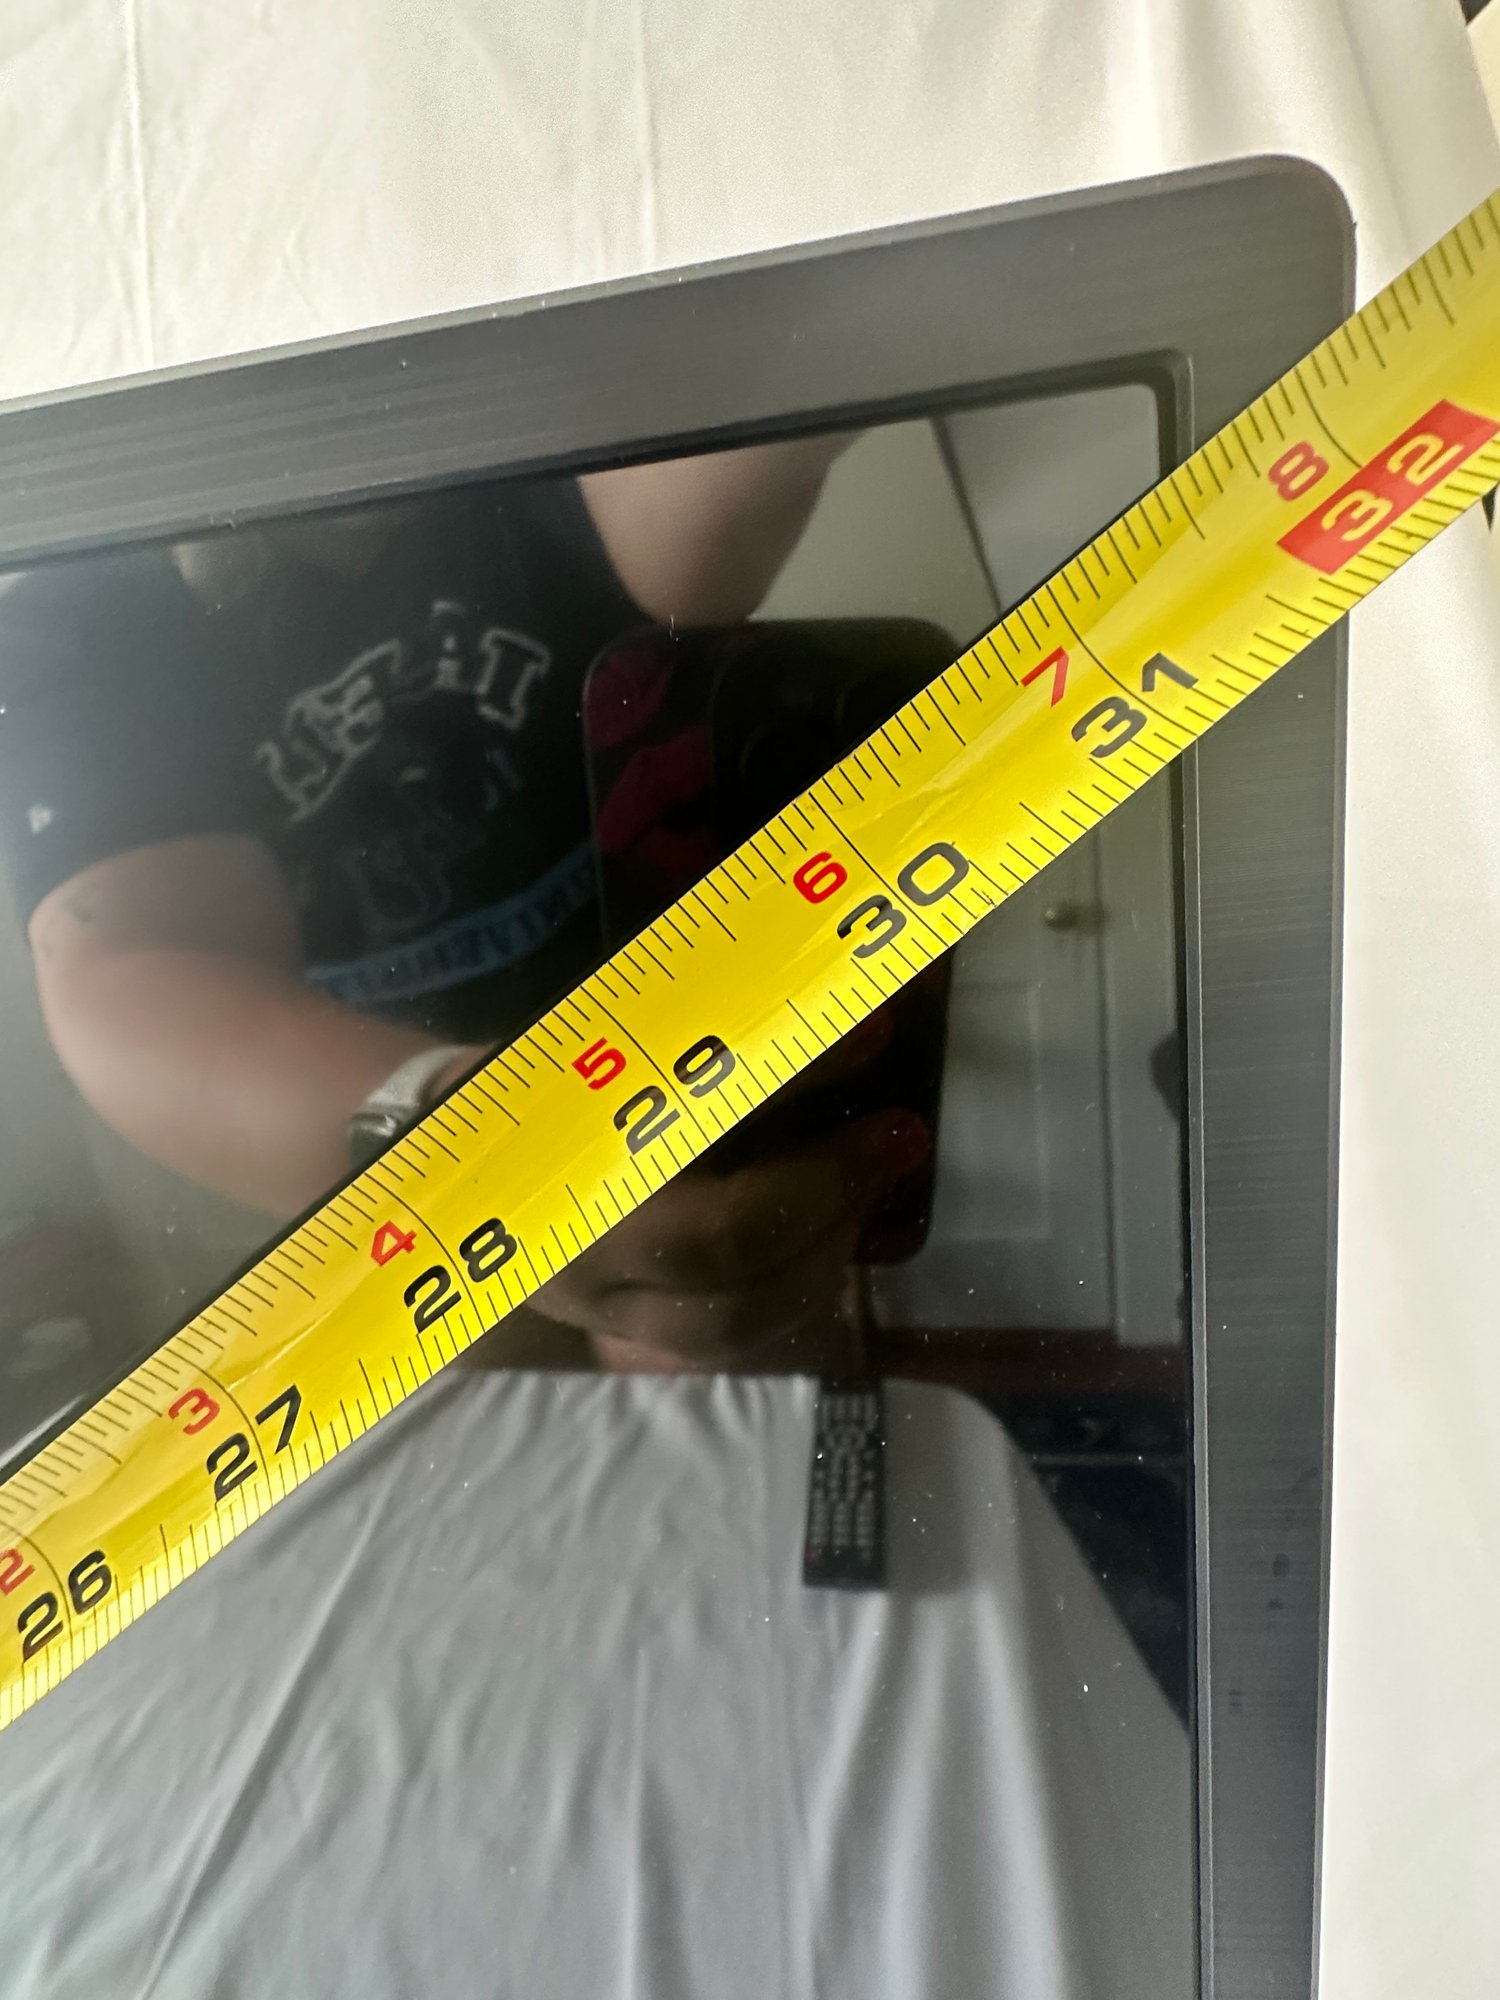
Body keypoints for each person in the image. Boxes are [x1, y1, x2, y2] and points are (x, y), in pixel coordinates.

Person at [0, 437, 925, 1374]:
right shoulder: (84, 602)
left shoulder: (535, 429)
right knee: (536, 1378)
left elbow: (703, 515)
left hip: (649, 1082)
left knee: (723, 1345)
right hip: (387, 1109)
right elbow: (132, 963)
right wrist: (445, 1145)